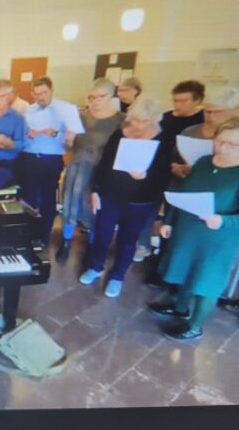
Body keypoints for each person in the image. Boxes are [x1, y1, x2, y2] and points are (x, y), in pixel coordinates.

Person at [149, 117, 239, 342]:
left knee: (207, 280)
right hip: (188, 230)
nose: (222, 148)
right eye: (219, 141)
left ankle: (195, 326)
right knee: (183, 270)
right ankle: (180, 308)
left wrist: (223, 221)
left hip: (218, 238)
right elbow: (183, 193)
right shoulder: (204, 162)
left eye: (231, 144)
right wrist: (168, 221)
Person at [79, 99, 171, 298]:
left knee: (128, 240)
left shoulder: (163, 139)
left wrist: (146, 176)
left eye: (145, 121)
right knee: (102, 234)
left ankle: (117, 276)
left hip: (141, 200)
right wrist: (95, 190)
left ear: (155, 120)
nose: (139, 125)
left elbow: (164, 175)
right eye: (136, 120)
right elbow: (104, 165)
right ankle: (95, 267)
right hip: (110, 195)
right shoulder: (119, 134)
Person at [133, 79, 207, 262]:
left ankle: (169, 253)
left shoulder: (201, 121)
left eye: (183, 101)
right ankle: (143, 245)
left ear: (197, 101)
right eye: (175, 100)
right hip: (160, 171)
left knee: (174, 214)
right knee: (149, 209)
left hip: (188, 175)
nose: (177, 105)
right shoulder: (165, 118)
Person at [56, 78, 124, 264]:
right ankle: (66, 241)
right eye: (91, 97)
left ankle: (93, 246)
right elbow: (68, 148)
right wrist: (69, 140)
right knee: (69, 204)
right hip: (77, 166)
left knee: (94, 209)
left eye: (99, 97)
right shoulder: (80, 117)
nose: (94, 101)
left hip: (101, 171)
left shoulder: (120, 120)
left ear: (111, 96)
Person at [20, 76, 80, 248]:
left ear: (51, 91)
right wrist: (28, 135)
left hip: (51, 159)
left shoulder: (64, 110)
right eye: (36, 94)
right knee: (29, 198)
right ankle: (29, 233)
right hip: (30, 157)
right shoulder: (30, 110)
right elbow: (22, 138)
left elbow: (72, 142)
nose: (40, 97)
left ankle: (43, 235)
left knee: (47, 198)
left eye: (44, 93)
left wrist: (54, 133)